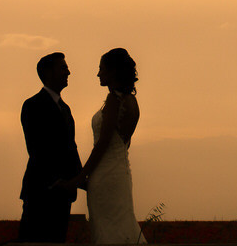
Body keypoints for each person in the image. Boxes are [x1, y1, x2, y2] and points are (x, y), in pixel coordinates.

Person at [77, 48, 144, 244]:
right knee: (121, 223)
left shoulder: (114, 100)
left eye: (101, 69)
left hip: (105, 176)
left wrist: (82, 175)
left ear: (113, 71)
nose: (98, 73)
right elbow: (125, 142)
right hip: (120, 173)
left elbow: (103, 143)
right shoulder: (132, 101)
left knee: (108, 230)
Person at [18, 53, 82, 243]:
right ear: (47, 72)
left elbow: (72, 148)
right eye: (63, 68)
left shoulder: (66, 109)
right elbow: (36, 149)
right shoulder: (32, 105)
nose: (68, 72)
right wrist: (55, 181)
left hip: (63, 195)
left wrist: (81, 179)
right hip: (41, 192)